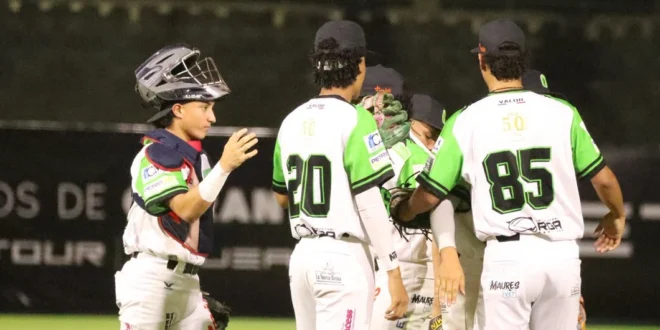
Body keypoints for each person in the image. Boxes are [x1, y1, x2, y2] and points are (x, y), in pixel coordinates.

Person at [390, 19, 626, 330]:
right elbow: (604, 179)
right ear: (523, 59)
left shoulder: (466, 120)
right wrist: (616, 215)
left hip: (507, 257)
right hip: (561, 256)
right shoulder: (561, 112)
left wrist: (405, 209)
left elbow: (432, 194)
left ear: (481, 60)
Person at [271, 20, 408, 330]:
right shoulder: (357, 119)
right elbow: (370, 202)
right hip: (343, 257)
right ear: (359, 64)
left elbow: (282, 197)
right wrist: (393, 271)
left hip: (303, 256)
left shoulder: (291, 120)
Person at [114, 44, 257, 330]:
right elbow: (184, 210)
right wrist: (225, 167)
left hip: (185, 283)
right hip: (151, 282)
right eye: (204, 107)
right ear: (177, 109)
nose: (212, 117)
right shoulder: (155, 153)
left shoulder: (194, 156)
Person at [361, 89, 447, 330]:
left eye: (435, 138)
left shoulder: (406, 154)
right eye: (429, 135)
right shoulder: (423, 157)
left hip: (405, 270)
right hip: (410, 271)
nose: (431, 145)